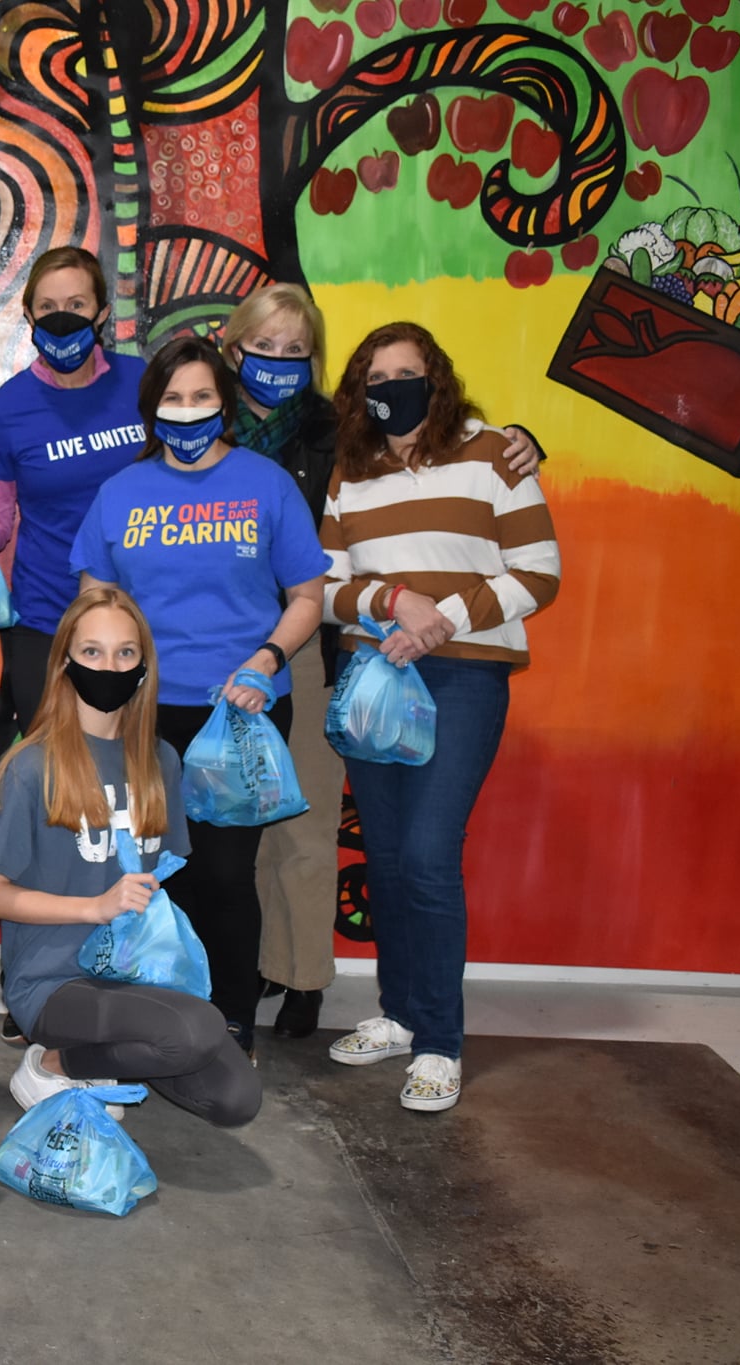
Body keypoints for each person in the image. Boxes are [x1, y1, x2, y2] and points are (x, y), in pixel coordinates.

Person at [217, 283, 545, 1040]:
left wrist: (517, 439)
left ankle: (306, 982)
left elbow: (515, 543)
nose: (276, 362)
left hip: (317, 652)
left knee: (308, 824)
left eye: (296, 351)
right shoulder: (204, 423)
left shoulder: (342, 434)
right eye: (263, 346)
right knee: (229, 827)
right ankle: (246, 979)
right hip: (212, 641)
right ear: (234, 348)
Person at [321, 321, 559, 1113]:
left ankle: (439, 1041)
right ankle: (398, 1011)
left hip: (463, 677)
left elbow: (540, 570)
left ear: (437, 377)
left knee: (427, 853)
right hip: (376, 677)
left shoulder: (495, 453)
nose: (392, 388)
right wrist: (391, 600)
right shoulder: (350, 473)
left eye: (407, 372)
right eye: (375, 377)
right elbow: (323, 587)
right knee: (386, 856)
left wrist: (446, 616)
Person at [70, 333, 330, 1058]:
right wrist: (102, 674)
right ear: (152, 410)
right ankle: (163, 1014)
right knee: (150, 868)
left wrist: (267, 658)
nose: (187, 414)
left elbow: (307, 595)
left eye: (202, 398)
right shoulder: (120, 492)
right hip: (141, 709)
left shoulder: (266, 483)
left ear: (225, 405)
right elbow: (96, 596)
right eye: (172, 401)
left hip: (238, 712)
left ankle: (232, 1019)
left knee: (222, 869)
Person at [0, 589, 260, 1127]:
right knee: (196, 1030)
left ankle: (97, 1058)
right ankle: (54, 1060)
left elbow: (167, 879)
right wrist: (94, 908)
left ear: (145, 666)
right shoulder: (30, 767)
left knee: (235, 1098)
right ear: (65, 662)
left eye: (126, 653)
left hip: (135, 975)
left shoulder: (160, 761)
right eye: (93, 652)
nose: (111, 666)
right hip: (52, 981)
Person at [0, 246, 146, 743]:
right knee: (50, 772)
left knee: (137, 773)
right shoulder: (5, 411)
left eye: (76, 305)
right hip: (47, 618)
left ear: (102, 314)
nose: (61, 318)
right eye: (47, 308)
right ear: (28, 317)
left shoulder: (145, 385)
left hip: (145, 614)